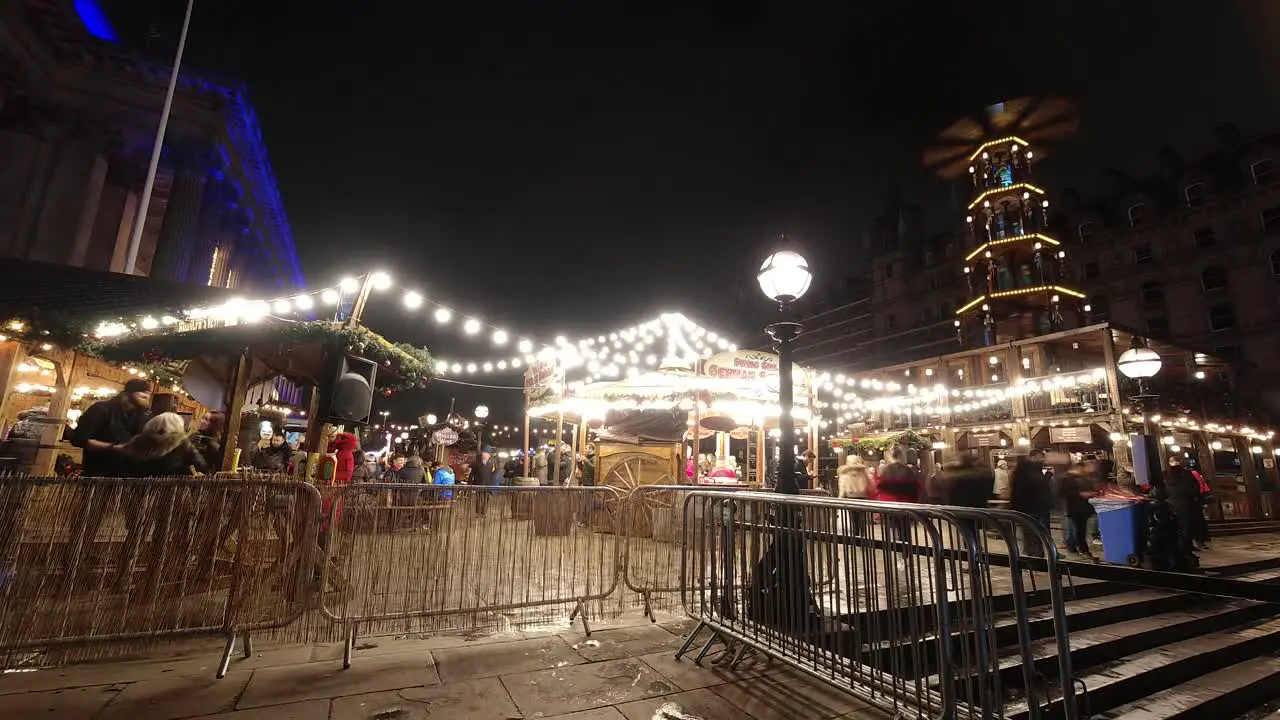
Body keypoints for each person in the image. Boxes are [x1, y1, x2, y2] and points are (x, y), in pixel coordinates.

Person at [69, 378, 152, 477]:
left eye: (148, 392)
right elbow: (78, 439)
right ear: (127, 393)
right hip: (99, 475)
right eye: (141, 391)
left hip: (129, 476)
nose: (146, 395)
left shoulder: (144, 415)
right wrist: (115, 447)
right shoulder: (101, 409)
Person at [120, 412, 209, 477]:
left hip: (134, 492)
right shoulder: (182, 444)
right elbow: (201, 466)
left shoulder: (139, 441)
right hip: (168, 493)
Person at [1010, 449, 1052, 556]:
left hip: (1031, 506)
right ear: (1033, 457)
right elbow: (1035, 487)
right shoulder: (1029, 471)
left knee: (1032, 532)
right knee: (1033, 532)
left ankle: (1035, 553)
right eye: (1041, 457)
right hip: (1032, 507)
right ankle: (1036, 555)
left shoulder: (1027, 470)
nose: (1043, 459)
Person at [1165, 455, 1204, 556]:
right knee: (1187, 526)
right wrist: (1196, 498)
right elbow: (1194, 488)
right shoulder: (1187, 474)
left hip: (1171, 503)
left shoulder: (1166, 474)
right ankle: (1187, 546)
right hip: (1186, 503)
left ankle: (1180, 546)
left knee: (1176, 526)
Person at [1059, 464, 1098, 559]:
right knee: (1077, 530)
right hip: (1074, 508)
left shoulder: (1082, 478)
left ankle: (1075, 548)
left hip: (1083, 508)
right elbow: (1063, 492)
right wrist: (1081, 494)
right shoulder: (1067, 478)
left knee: (1079, 530)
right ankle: (1082, 550)